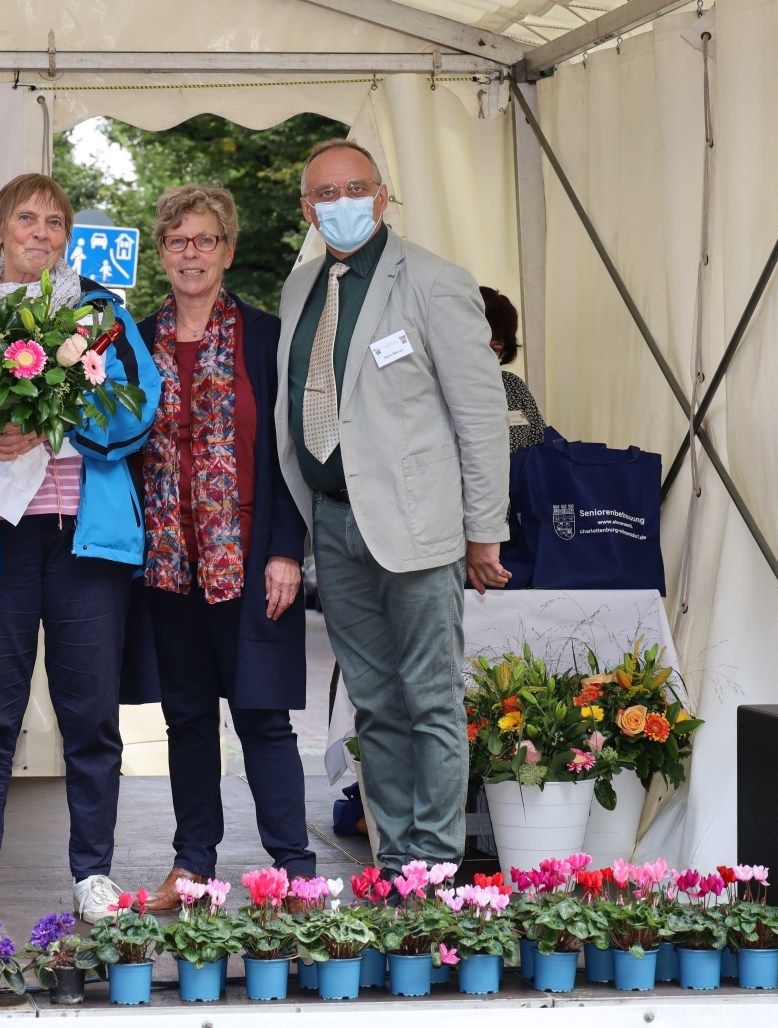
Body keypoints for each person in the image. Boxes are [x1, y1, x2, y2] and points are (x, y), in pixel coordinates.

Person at [0, 173, 161, 925]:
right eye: (27, 218)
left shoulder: (102, 315)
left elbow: (141, 406)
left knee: (90, 718)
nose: (41, 233)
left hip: (84, 542)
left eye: (55, 221)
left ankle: (94, 874)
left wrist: (63, 420)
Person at [275, 139, 508, 871]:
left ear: (382, 195)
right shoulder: (300, 285)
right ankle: (396, 858)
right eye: (323, 195)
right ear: (307, 208)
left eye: (354, 189)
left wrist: (485, 533)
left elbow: (480, 416)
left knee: (431, 702)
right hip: (335, 524)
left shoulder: (436, 282)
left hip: (419, 527)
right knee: (372, 705)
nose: (339, 204)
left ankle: (436, 867)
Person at [128, 185, 316, 911]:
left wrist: (284, 549)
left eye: (205, 240)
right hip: (166, 561)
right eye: (178, 240)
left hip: (250, 555)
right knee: (187, 718)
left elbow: (288, 453)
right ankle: (191, 866)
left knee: (264, 715)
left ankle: (294, 870)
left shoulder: (267, 338)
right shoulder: (132, 342)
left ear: (228, 250)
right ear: (162, 252)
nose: (191, 253)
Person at [480, 285, 545, 451]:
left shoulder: (512, 385)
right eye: (478, 346)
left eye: (494, 349)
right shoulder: (440, 388)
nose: (483, 357)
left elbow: (540, 441)